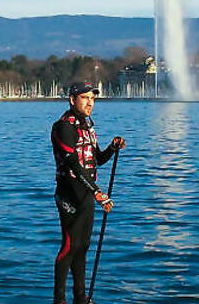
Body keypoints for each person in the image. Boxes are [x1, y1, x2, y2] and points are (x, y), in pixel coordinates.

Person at [51, 81, 126, 304]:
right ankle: (59, 300)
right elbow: (73, 163)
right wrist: (98, 192)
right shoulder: (64, 126)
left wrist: (112, 148)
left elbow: (95, 161)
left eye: (92, 98)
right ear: (72, 100)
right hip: (69, 194)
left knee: (82, 247)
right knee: (69, 246)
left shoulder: (88, 126)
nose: (90, 102)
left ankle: (81, 298)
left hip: (87, 194)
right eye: (85, 98)